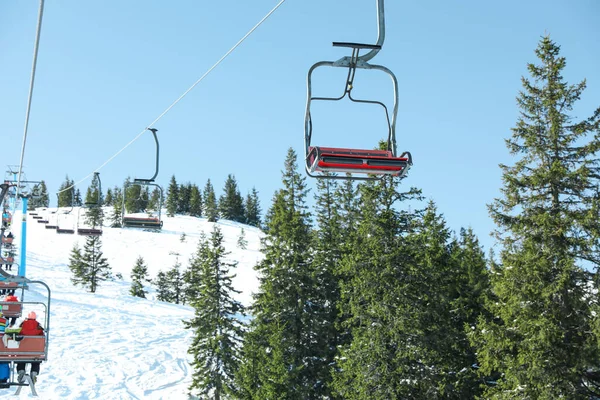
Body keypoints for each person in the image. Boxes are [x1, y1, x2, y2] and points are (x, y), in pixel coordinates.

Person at [16, 311, 44, 384]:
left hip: (23, 350)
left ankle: (21, 370)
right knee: (36, 360)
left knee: (21, 358)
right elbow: (42, 336)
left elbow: (18, 333)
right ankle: (34, 372)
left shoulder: (22, 324)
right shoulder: (38, 326)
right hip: (35, 351)